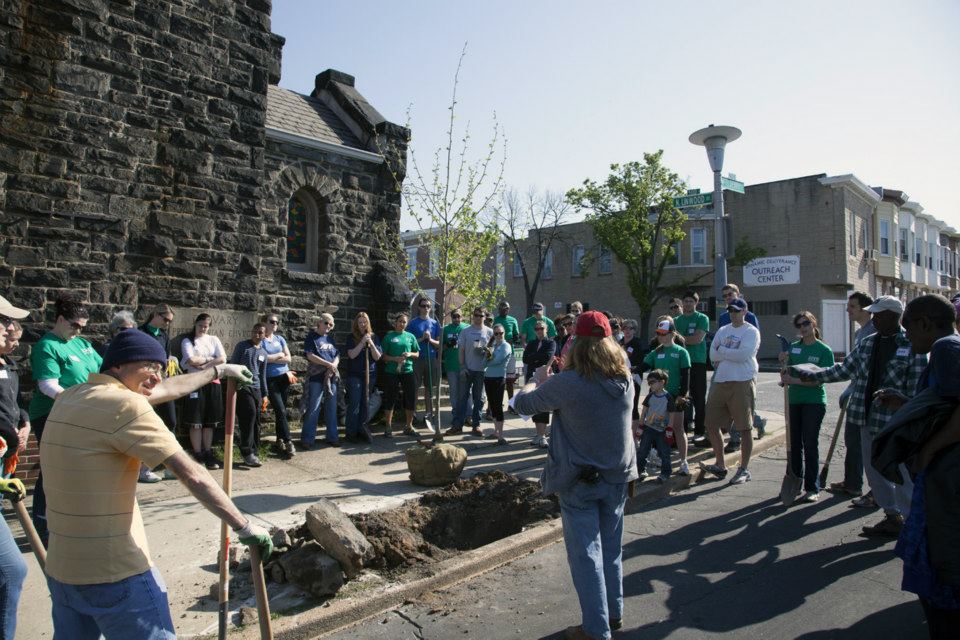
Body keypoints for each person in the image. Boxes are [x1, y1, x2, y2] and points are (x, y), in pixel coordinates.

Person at [39, 329, 270, 638]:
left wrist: (218, 371)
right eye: (150, 365)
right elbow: (193, 474)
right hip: (116, 574)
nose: (157, 376)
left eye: (161, 367)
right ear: (119, 366)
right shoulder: (126, 407)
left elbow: (167, 389)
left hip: (63, 573)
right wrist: (243, 526)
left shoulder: (73, 396)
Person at [513, 311, 637, 640]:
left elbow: (525, 406)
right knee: (611, 549)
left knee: (586, 556)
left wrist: (530, 384)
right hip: (617, 477)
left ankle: (596, 630)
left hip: (579, 481)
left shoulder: (569, 383)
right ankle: (613, 614)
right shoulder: (624, 379)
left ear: (576, 343)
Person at [793, 295, 926, 536]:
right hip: (865, 416)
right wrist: (811, 375)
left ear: (894, 316)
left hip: (896, 422)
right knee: (874, 471)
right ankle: (892, 516)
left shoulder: (912, 344)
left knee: (902, 474)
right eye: (873, 313)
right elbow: (844, 369)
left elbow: (918, 388)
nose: (874, 318)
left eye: (879, 314)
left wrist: (906, 411)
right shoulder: (868, 342)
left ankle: (912, 523)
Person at [882, 294, 960, 638]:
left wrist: (929, 449)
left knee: (941, 569)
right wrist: (907, 404)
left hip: (948, 480)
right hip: (942, 480)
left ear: (925, 323)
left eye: (908, 327)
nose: (906, 335)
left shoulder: (946, 348)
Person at [29, 295, 102, 545]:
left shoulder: (82, 343)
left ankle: (73, 521)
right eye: (74, 325)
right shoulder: (47, 346)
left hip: (80, 413)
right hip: (52, 414)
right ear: (60, 319)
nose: (78, 330)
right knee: (52, 469)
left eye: (82, 326)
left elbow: (101, 371)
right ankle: (43, 527)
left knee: (77, 468)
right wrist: (76, 402)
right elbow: (48, 385)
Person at [701, 298, 760, 485]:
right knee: (711, 423)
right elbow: (712, 354)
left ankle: (744, 469)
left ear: (744, 311)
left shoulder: (751, 331)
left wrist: (723, 351)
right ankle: (720, 464)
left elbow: (744, 355)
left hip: (742, 381)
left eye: (736, 310)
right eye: (730, 311)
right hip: (721, 380)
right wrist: (727, 353)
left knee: (744, 427)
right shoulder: (722, 330)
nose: (732, 314)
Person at [779, 311, 835, 502]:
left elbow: (820, 380)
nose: (803, 328)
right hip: (794, 401)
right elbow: (786, 374)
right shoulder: (793, 348)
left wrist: (793, 380)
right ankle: (795, 481)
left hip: (814, 402)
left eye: (806, 323)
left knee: (809, 443)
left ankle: (813, 488)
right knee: (794, 444)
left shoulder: (823, 350)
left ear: (813, 323)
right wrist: (783, 365)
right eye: (799, 325)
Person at [827, 291, 876, 498]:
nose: (848, 310)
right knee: (852, 440)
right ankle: (852, 482)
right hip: (857, 393)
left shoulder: (873, 332)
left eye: (852, 306)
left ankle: (877, 490)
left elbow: (864, 368)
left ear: (865, 309)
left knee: (867, 444)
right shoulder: (860, 333)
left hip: (869, 396)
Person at [0, 296, 29, 640]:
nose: (11, 328)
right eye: (4, 320)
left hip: (5, 468)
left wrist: (24, 424)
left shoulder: (7, 364)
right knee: (11, 570)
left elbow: (14, 405)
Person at [641, 319, 691, 476]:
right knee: (655, 427)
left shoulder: (682, 352)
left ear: (672, 334)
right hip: (657, 398)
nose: (661, 337)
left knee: (677, 428)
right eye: (658, 334)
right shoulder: (656, 352)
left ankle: (683, 461)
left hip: (675, 397)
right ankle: (658, 460)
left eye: (664, 334)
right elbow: (643, 366)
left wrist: (682, 395)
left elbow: (686, 375)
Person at [180, 313, 226, 469]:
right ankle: (197, 453)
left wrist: (204, 364)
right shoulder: (187, 340)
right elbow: (191, 360)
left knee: (209, 422)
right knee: (196, 421)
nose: (203, 328)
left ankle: (208, 452)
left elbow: (222, 358)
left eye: (206, 326)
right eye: (200, 325)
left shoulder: (214, 339)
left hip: (212, 381)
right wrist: (210, 359)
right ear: (195, 324)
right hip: (194, 383)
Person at [448, 307, 494, 436]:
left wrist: (488, 352)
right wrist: (462, 367)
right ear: (472, 316)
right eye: (476, 315)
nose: (478, 317)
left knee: (478, 399)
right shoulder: (465, 331)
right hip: (467, 370)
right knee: (462, 398)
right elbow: (461, 351)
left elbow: (492, 352)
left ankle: (476, 425)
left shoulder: (490, 332)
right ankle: (457, 425)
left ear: (485, 317)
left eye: (481, 315)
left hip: (481, 371)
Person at [229, 323, 270, 467]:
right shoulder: (242, 346)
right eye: (254, 332)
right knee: (249, 414)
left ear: (264, 335)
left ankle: (254, 449)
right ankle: (246, 450)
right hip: (243, 386)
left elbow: (262, 374)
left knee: (256, 419)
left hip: (257, 388)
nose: (256, 335)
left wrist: (265, 393)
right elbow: (233, 364)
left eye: (260, 333)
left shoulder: (264, 353)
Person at [675, 291, 710, 446]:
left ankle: (699, 431)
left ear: (696, 303)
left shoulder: (702, 318)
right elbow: (671, 339)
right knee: (682, 396)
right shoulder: (676, 320)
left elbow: (697, 339)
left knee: (699, 397)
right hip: (680, 362)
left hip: (697, 362)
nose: (688, 303)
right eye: (686, 301)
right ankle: (681, 430)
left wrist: (680, 339)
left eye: (691, 301)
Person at [138, 304, 178, 437]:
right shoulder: (140, 332)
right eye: (165, 320)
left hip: (161, 380)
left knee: (170, 420)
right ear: (156, 314)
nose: (167, 323)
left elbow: (166, 358)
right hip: (144, 381)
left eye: (170, 321)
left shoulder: (164, 335)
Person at [302, 313, 341, 448]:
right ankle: (307, 439)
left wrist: (333, 365)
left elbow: (337, 355)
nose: (329, 326)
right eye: (326, 323)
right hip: (316, 376)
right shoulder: (311, 337)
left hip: (331, 376)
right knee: (314, 408)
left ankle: (332, 437)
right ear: (319, 322)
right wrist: (327, 364)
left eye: (331, 324)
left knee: (331, 408)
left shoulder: (331, 339)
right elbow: (310, 355)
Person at [261, 312, 295, 458]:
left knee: (281, 411)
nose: (275, 324)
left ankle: (279, 439)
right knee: (280, 410)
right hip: (271, 379)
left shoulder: (280, 339)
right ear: (264, 323)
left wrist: (274, 358)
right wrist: (278, 356)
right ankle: (288, 441)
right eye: (272, 322)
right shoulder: (261, 340)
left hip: (284, 377)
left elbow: (288, 358)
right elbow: (262, 358)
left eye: (276, 322)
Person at [344, 312, 381, 443]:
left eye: (364, 322)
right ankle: (351, 433)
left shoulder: (374, 337)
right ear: (356, 324)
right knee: (355, 403)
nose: (362, 324)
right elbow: (352, 355)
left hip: (369, 375)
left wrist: (370, 342)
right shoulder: (351, 337)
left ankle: (362, 429)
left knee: (365, 403)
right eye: (360, 322)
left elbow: (377, 357)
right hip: (355, 375)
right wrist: (361, 343)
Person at [380, 312, 420, 437]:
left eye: (404, 322)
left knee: (410, 398)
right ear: (395, 323)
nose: (402, 324)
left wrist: (410, 354)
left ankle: (409, 426)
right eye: (400, 321)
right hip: (392, 372)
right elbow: (383, 356)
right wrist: (395, 359)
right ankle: (388, 427)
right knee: (390, 398)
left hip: (408, 371)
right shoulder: (389, 337)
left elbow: (417, 353)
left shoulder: (410, 336)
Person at [636, 369, 674, 483]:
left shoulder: (668, 397)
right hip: (648, 428)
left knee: (664, 452)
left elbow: (672, 414)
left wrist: (670, 429)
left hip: (662, 430)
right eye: (649, 382)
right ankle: (640, 470)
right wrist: (641, 426)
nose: (650, 385)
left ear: (662, 382)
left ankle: (665, 473)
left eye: (653, 382)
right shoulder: (650, 396)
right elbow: (644, 411)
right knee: (642, 451)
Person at [523, 320, 556, 448]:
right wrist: (537, 356)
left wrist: (534, 356)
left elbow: (547, 357)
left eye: (541, 328)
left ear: (546, 329)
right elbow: (526, 358)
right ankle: (538, 434)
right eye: (536, 329)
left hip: (543, 378)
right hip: (532, 377)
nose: (539, 331)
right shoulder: (531, 343)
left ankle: (542, 436)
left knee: (543, 406)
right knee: (534, 406)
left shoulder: (550, 343)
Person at [407, 296, 440, 423]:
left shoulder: (434, 323)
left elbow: (438, 344)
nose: (425, 308)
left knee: (429, 387)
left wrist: (430, 339)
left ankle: (428, 414)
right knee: (415, 387)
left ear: (430, 308)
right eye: (423, 306)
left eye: (428, 306)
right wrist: (421, 338)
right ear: (419, 307)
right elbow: (409, 342)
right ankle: (413, 413)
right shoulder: (413, 323)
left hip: (431, 358)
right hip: (417, 359)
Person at [483, 325, 512, 444]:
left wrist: (488, 357)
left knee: (498, 406)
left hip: (498, 379)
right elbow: (485, 360)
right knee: (493, 406)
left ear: (504, 333)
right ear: (493, 335)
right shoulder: (494, 346)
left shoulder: (506, 346)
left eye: (501, 333)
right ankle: (496, 432)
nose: (499, 335)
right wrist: (488, 356)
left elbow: (496, 361)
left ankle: (501, 436)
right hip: (488, 378)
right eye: (496, 334)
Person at [442, 309, 470, 429]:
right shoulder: (446, 329)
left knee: (466, 392)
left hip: (465, 366)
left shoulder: (467, 328)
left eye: (458, 316)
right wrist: (448, 344)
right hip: (451, 366)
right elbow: (440, 347)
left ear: (462, 317)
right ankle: (456, 416)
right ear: (451, 317)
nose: (456, 319)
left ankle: (469, 416)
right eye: (454, 316)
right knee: (454, 393)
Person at [493, 301, 521, 407]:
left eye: (507, 308)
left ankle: (511, 404)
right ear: (499, 309)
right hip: (497, 353)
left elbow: (516, 336)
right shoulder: (495, 320)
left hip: (510, 353)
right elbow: (492, 335)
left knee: (510, 381)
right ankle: (496, 404)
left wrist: (511, 340)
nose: (505, 310)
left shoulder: (513, 320)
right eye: (503, 308)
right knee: (498, 380)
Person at [621, 319, 645, 432]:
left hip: (634, 378)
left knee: (634, 406)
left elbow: (641, 362)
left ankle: (635, 435)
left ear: (634, 330)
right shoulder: (619, 342)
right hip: (620, 378)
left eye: (630, 328)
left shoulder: (637, 343)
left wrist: (632, 369)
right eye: (625, 328)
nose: (627, 331)